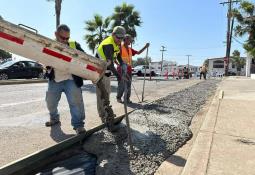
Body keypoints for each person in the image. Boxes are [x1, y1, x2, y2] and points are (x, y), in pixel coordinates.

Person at [45, 24, 86, 134]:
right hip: (55, 79)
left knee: (76, 102)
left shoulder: (74, 44)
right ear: (55, 34)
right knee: (50, 102)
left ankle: (78, 125)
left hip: (71, 78)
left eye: (67, 38)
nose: (65, 40)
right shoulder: (49, 44)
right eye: (62, 38)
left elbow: (85, 58)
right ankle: (54, 118)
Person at [95, 26, 125, 131]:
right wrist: (118, 76)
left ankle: (107, 114)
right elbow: (111, 64)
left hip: (106, 72)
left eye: (122, 38)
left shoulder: (117, 43)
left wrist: (122, 64)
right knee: (101, 95)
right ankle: (103, 117)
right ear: (113, 34)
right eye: (118, 38)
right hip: (98, 72)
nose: (120, 40)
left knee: (107, 94)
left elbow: (118, 56)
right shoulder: (108, 44)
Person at [116, 34, 150, 103]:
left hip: (128, 69)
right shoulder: (120, 47)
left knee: (128, 85)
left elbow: (138, 52)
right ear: (125, 40)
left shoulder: (129, 49)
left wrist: (145, 47)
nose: (131, 41)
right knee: (121, 85)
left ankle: (127, 98)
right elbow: (115, 57)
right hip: (121, 69)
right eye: (129, 39)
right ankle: (119, 98)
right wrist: (119, 65)